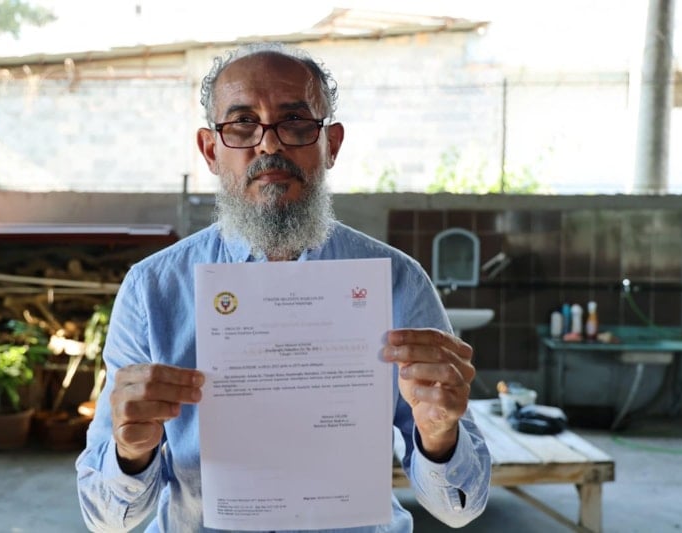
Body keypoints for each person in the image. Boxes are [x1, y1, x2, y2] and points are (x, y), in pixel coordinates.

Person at [76, 41, 491, 532]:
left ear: (331, 144)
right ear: (210, 150)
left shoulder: (396, 281)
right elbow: (106, 520)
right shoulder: (153, 290)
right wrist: (131, 453)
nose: (269, 145)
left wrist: (440, 434)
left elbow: (460, 507)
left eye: (295, 121)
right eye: (242, 123)